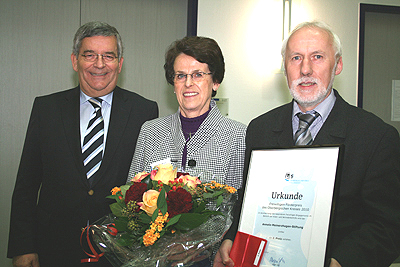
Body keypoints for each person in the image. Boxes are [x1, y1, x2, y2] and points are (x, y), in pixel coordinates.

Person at [214, 21, 400, 267]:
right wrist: (231, 237)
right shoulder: (260, 129)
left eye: (318, 57)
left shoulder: (376, 137)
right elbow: (249, 203)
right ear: (285, 67)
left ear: (338, 65)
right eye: (296, 58)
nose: (305, 69)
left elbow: (387, 225)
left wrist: (342, 262)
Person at [7, 21, 158, 267]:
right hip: (54, 249)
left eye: (108, 56)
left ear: (120, 64)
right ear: (75, 60)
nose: (99, 64)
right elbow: (26, 184)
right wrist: (23, 247)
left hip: (119, 252)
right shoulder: (46, 109)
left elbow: (148, 186)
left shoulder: (144, 111)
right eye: (90, 55)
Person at [128, 36, 246, 266]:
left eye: (198, 74)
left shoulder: (238, 136)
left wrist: (197, 246)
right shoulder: (150, 131)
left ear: (216, 82)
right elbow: (131, 200)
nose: (188, 83)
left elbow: (239, 211)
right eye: (180, 75)